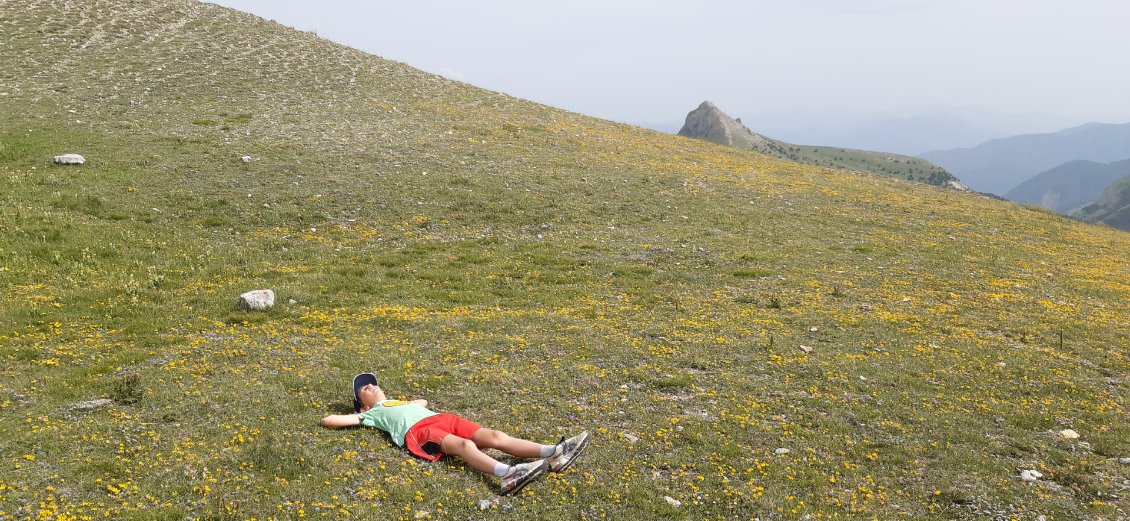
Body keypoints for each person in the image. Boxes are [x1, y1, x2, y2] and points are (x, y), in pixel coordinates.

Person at [321, 373, 591, 495]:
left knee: (494, 436)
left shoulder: (398, 403)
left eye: (372, 383)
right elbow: (330, 420)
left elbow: (422, 402)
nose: (369, 385)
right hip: (420, 431)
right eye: (363, 389)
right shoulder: (371, 414)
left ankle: (555, 452)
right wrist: (362, 413)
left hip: (442, 419)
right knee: (463, 445)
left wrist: (400, 403)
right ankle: (506, 475)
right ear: (363, 404)